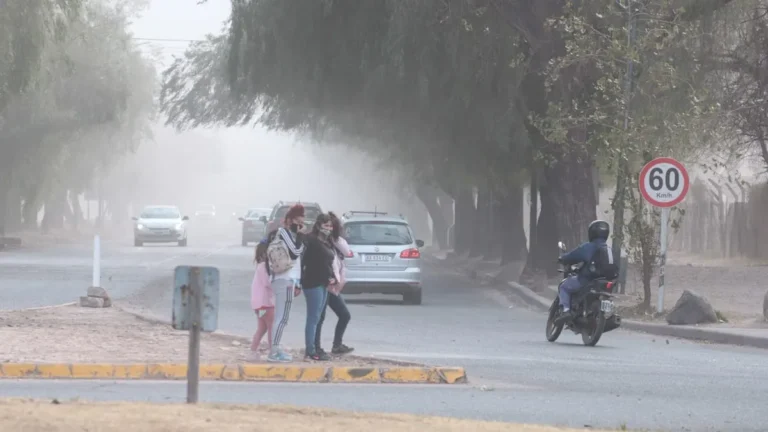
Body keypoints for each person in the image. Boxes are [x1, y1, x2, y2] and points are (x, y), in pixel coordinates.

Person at [555, 220, 617, 324]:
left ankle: (566, 311)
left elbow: (573, 256)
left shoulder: (589, 246)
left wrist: (562, 259)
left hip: (587, 280)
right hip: (606, 281)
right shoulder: (609, 249)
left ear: (592, 232)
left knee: (564, 286)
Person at [266, 203, 305, 362]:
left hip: (289, 280)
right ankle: (274, 352)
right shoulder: (284, 232)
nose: (300, 224)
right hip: (284, 279)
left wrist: (298, 283)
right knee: (282, 318)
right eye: (298, 220)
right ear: (290, 220)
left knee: (282, 317)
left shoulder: (290, 235)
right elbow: (295, 253)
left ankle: (276, 348)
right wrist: (301, 236)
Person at [314, 212, 354, 355]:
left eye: (332, 226)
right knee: (320, 317)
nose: (330, 228)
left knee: (344, 315)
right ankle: (315, 347)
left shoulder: (334, 240)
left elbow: (346, 252)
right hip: (325, 284)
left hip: (333, 284)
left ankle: (337, 346)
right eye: (328, 225)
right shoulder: (326, 240)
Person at [300, 213, 337, 361]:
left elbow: (327, 263)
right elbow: (301, 261)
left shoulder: (327, 242)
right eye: (325, 225)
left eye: (330, 225)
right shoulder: (311, 240)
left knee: (319, 317)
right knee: (313, 317)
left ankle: (316, 347)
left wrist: (332, 276)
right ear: (318, 225)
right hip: (312, 283)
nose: (328, 228)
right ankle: (310, 350)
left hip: (324, 283)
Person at [249, 240, 274, 361]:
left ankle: (253, 351)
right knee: (271, 327)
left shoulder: (259, 266)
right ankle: (273, 351)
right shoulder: (264, 266)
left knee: (262, 328)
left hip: (259, 306)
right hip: (266, 304)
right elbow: (267, 283)